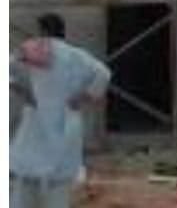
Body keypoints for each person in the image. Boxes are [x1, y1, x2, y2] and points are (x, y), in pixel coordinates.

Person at [9, 13, 112, 208]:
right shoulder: (77, 55)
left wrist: (22, 90)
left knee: (27, 182)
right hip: (66, 118)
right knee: (59, 183)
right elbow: (104, 74)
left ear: (42, 30)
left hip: (37, 119)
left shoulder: (33, 49)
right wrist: (83, 98)